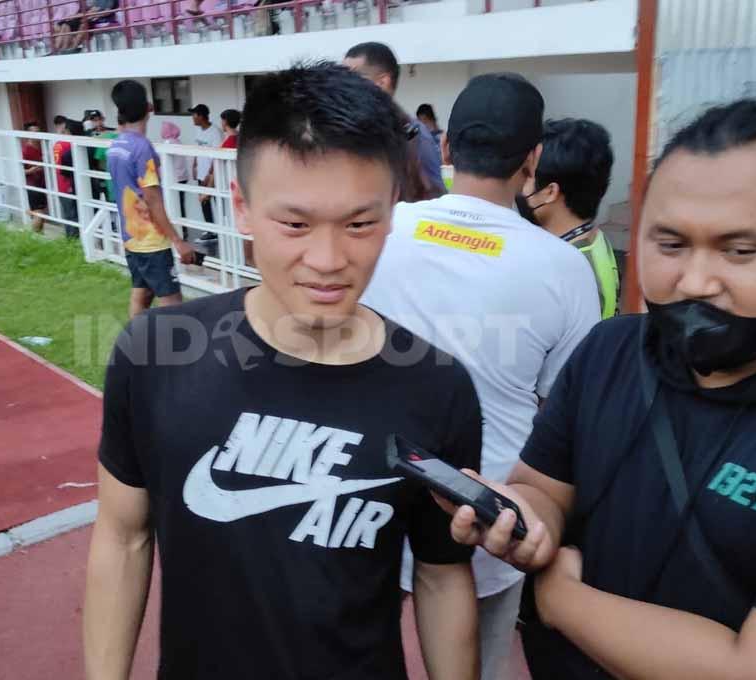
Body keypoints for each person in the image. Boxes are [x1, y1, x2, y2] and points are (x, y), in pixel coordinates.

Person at [446, 99, 756, 680]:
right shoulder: (608, 353)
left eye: (740, 251)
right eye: (669, 244)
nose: (694, 281)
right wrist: (525, 524)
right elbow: (544, 488)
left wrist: (562, 601)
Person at [84, 61, 481, 680]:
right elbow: (122, 536)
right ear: (242, 207)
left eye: (360, 224)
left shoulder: (438, 387)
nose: (327, 260)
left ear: (393, 209)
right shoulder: (154, 353)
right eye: (295, 225)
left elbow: (440, 576)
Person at [362, 73, 600, 680]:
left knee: (355, 645)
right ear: (532, 160)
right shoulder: (565, 268)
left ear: (446, 147)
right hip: (487, 509)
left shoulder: (383, 228)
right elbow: (564, 405)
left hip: (372, 492)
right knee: (481, 661)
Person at [105, 81, 196, 318]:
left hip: (131, 236)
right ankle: (171, 342)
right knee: (172, 302)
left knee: (142, 294)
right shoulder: (142, 148)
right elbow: (153, 199)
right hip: (151, 240)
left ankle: (134, 340)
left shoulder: (116, 145)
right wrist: (178, 241)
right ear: (149, 107)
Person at [518, 118, 620, 319]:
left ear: (550, 192)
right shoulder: (596, 240)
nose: (519, 186)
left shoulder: (564, 272)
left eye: (526, 176)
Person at [344, 43, 444, 200]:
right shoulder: (344, 130)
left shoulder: (415, 136)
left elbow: (434, 195)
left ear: (383, 82)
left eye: (352, 78)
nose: (343, 85)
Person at [189, 104, 223, 228]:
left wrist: (209, 174)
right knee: (204, 203)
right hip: (201, 173)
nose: (192, 118)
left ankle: (223, 230)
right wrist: (194, 166)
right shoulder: (198, 130)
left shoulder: (215, 132)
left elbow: (217, 156)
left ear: (201, 116)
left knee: (219, 204)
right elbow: (197, 149)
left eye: (194, 115)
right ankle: (210, 231)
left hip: (213, 176)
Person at [52, 115, 83, 238]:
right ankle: (74, 240)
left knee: (68, 214)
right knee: (73, 214)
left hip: (61, 183)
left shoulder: (58, 144)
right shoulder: (70, 144)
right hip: (69, 183)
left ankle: (70, 240)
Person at [160, 120, 192, 219]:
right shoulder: (178, 141)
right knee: (180, 204)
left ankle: (175, 224)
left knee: (172, 204)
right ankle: (183, 225)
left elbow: (163, 161)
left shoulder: (168, 142)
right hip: (182, 176)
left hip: (173, 178)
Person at [21, 122, 48, 233]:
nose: (36, 134)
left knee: (42, 213)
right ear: (27, 134)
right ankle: (33, 236)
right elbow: (18, 171)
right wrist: (30, 171)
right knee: (39, 213)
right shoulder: (25, 150)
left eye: (38, 132)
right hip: (32, 185)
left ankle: (39, 235)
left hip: (42, 184)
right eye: (33, 132)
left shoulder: (43, 147)